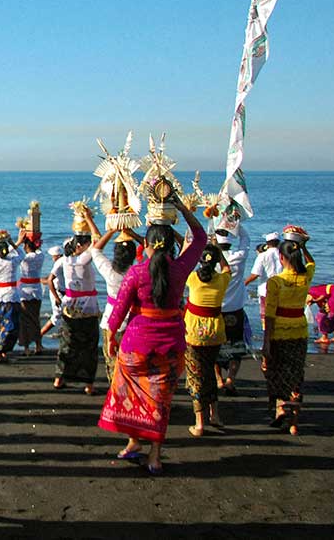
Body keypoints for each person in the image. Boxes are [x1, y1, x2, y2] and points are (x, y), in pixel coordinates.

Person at [98, 197, 205, 475]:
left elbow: (117, 312)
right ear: (171, 245)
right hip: (170, 346)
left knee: (132, 394)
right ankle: (154, 455)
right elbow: (201, 238)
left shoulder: (135, 272)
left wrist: (110, 337)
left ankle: (133, 441)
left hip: (136, 344)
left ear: (145, 245)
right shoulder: (180, 269)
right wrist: (182, 209)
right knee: (160, 402)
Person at [262, 227, 315, 435]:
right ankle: (293, 421)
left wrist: (266, 341)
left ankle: (280, 411)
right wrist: (303, 246)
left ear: (281, 257)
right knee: (295, 375)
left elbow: (270, 314)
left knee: (275, 374)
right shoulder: (305, 278)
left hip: (279, 334)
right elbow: (311, 264)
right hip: (299, 331)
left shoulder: (275, 282)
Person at [85, 212, 141, 383]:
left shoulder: (110, 272)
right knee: (132, 365)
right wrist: (134, 235)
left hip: (111, 320)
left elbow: (95, 250)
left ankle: (115, 393)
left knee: (112, 362)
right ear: (133, 255)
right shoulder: (139, 272)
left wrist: (111, 231)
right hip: (134, 321)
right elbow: (151, 250)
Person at [184, 245, 231, 437]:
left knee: (195, 375)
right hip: (214, 330)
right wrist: (219, 254)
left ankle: (199, 422)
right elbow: (227, 269)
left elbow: (183, 263)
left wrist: (189, 247)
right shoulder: (221, 279)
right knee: (210, 371)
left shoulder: (193, 279)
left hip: (194, 330)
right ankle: (215, 414)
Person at [51, 232, 100, 394]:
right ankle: (88, 385)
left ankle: (59, 378)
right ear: (79, 246)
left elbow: (50, 278)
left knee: (67, 343)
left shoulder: (64, 260)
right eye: (86, 244)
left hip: (69, 305)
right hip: (87, 307)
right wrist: (88, 218)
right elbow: (98, 240)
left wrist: (57, 297)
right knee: (89, 346)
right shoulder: (84, 260)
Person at [215, 227, 251, 396]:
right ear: (230, 245)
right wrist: (235, 224)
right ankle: (230, 379)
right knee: (236, 347)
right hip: (235, 310)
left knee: (214, 347)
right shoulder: (238, 258)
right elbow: (246, 240)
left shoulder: (210, 262)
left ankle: (218, 380)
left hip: (216, 309)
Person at [0, 229, 25, 362]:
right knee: (12, 325)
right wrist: (12, 242)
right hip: (10, 296)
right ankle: (2, 351)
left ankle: (1, 351)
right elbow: (21, 253)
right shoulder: (12, 261)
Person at [245, 232, 283, 327]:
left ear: (267, 243)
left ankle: (267, 337)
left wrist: (243, 283)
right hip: (282, 290)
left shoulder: (263, 256)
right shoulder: (284, 255)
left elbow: (255, 274)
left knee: (266, 317)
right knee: (280, 316)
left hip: (265, 290)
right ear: (278, 242)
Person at [16, 233, 46, 355]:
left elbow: (9, 253)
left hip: (25, 290)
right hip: (37, 289)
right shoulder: (41, 256)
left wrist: (18, 241)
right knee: (35, 318)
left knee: (25, 320)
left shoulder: (26, 257)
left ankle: (27, 347)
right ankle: (38, 345)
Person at [40, 245, 65, 339]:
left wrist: (56, 298)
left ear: (57, 256)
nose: (52, 258)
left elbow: (50, 281)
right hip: (62, 291)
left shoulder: (58, 263)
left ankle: (39, 335)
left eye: (53, 256)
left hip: (58, 292)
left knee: (56, 316)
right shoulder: (64, 261)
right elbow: (51, 276)